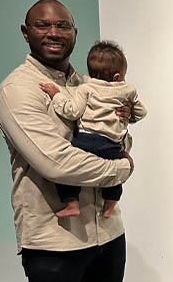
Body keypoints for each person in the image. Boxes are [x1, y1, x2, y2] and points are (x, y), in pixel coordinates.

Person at [0, 0, 133, 281]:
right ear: (26, 32)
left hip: (108, 235)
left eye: (63, 26)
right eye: (43, 25)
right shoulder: (18, 90)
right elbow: (56, 162)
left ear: (75, 33)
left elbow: (121, 142)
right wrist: (121, 169)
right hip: (55, 244)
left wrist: (123, 123)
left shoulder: (90, 84)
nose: (54, 33)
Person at [39, 40, 147, 219]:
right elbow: (142, 112)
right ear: (117, 76)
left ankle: (72, 203)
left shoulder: (86, 88)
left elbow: (71, 111)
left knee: (69, 172)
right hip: (112, 144)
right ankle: (109, 207)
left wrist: (55, 94)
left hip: (86, 141)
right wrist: (131, 113)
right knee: (114, 178)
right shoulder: (128, 89)